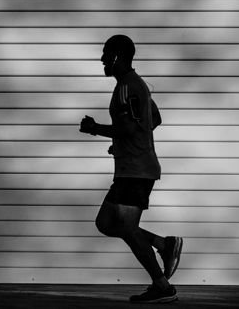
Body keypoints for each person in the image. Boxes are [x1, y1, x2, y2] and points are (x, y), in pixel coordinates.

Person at [79, 34, 183, 304]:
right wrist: (124, 145)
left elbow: (128, 128)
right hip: (131, 169)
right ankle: (164, 244)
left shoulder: (127, 86)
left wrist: (94, 129)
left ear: (117, 56)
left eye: (106, 54)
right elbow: (154, 118)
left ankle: (163, 287)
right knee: (105, 223)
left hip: (136, 171)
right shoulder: (135, 85)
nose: (102, 59)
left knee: (127, 228)